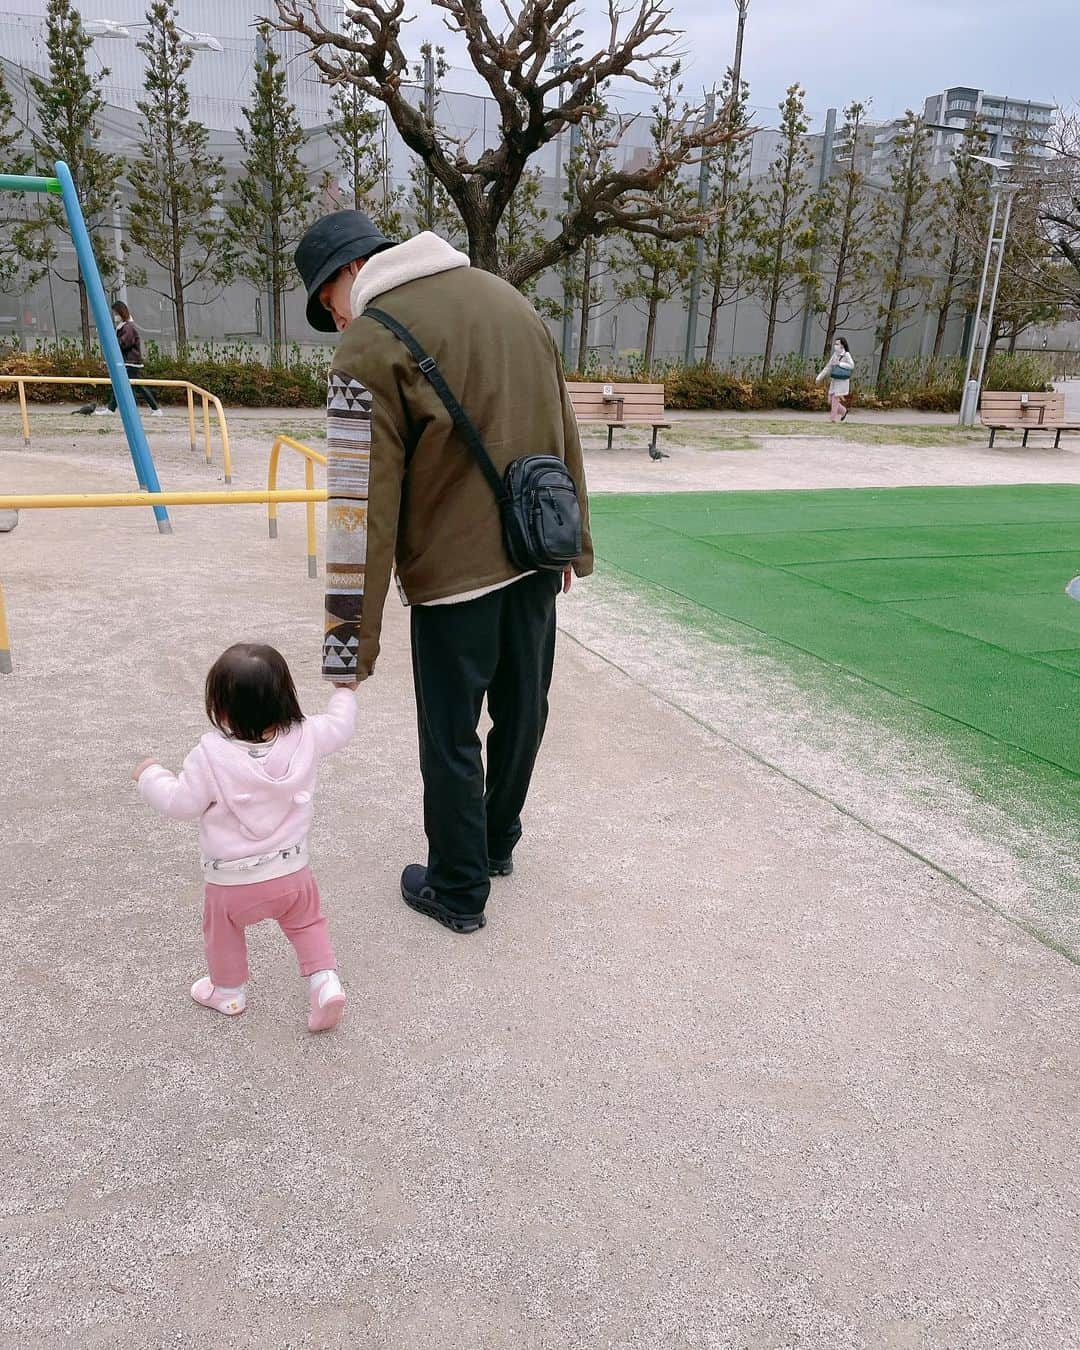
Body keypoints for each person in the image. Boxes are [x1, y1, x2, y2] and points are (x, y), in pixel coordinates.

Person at [293, 209, 593, 936]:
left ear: (346, 275)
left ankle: (457, 887)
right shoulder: (507, 298)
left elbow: (357, 505)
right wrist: (571, 544)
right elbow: (563, 424)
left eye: (325, 305)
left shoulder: (369, 343)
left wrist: (347, 646)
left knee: (451, 733)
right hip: (534, 555)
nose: (335, 321)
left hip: (454, 578)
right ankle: (496, 843)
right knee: (525, 710)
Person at [132, 643, 357, 1032]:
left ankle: (228, 991)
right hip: (291, 872)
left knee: (222, 934)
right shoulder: (307, 735)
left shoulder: (211, 755)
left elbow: (179, 802)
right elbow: (340, 726)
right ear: (288, 698)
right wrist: (343, 692)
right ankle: (324, 981)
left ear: (219, 710)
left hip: (231, 882)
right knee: (308, 923)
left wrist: (150, 774)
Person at [95, 301, 162, 416]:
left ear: (121, 313)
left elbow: (124, 344)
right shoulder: (124, 327)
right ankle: (111, 408)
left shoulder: (128, 327)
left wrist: (109, 339)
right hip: (128, 361)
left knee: (134, 385)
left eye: (115, 313)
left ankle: (156, 408)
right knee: (125, 384)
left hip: (130, 362)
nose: (114, 316)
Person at [816, 337, 855, 423]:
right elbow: (828, 367)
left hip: (842, 381)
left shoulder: (846, 354)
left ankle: (832, 419)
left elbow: (852, 365)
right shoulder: (835, 355)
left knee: (835, 399)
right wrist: (819, 377)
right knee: (830, 400)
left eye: (837, 344)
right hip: (835, 380)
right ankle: (843, 411)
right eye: (835, 344)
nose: (835, 346)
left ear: (842, 345)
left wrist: (840, 364)